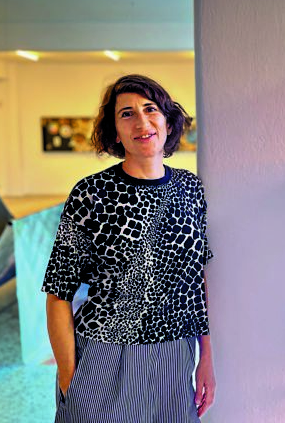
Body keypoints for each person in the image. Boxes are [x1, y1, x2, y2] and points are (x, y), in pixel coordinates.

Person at [42, 74, 215, 422]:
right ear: (116, 132)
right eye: (127, 114)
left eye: (150, 109)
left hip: (175, 356)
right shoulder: (91, 194)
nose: (141, 122)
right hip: (105, 356)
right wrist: (69, 377)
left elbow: (196, 279)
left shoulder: (190, 188)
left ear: (167, 122)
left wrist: (206, 358)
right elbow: (58, 293)